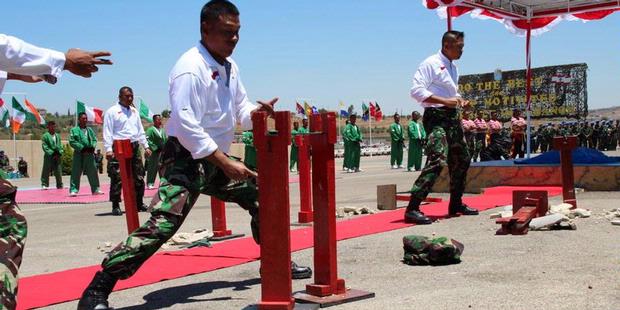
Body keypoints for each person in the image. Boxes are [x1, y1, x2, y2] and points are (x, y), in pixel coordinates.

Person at [78, 2, 311, 309]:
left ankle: (275, 264)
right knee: (163, 225)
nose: (234, 39)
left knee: (261, 195)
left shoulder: (230, 66)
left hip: (215, 158)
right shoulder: (190, 68)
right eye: (227, 32)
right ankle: (97, 289)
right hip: (186, 159)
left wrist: (256, 113)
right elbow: (187, 126)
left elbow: (238, 108)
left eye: (237, 32)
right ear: (206, 29)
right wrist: (226, 163)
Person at [1, 33, 111, 310]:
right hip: (61, 154)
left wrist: (17, 74)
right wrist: (62, 60)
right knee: (8, 223)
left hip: (85, 154)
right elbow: (6, 48)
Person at [406, 30, 479, 225]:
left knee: (462, 158)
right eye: (459, 47)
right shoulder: (430, 63)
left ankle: (456, 203)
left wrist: (459, 101)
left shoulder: (453, 68)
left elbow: (450, 94)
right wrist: (445, 101)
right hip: (436, 117)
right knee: (437, 159)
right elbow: (416, 91)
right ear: (447, 45)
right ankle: (412, 207)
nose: (462, 50)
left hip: (452, 118)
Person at [103, 86, 151, 216]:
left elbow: (140, 130)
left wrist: (146, 146)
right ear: (120, 97)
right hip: (119, 146)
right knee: (117, 176)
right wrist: (108, 149)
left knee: (139, 176)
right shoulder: (112, 111)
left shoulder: (134, 111)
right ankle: (115, 205)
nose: (130, 98)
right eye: (127, 96)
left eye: (131, 96)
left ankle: (139, 203)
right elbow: (107, 131)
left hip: (134, 145)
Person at [69, 112, 103, 196]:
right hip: (79, 154)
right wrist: (82, 148)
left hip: (89, 155)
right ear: (79, 119)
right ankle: (74, 190)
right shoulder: (74, 130)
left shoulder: (90, 130)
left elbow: (94, 139)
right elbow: (72, 141)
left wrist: (92, 147)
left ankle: (95, 189)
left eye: (86, 118)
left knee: (93, 171)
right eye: (83, 118)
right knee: (76, 172)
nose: (85, 120)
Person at [145, 114, 167, 189]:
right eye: (158, 119)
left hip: (162, 152)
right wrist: (155, 148)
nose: (160, 121)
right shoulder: (150, 130)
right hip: (154, 152)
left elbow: (165, 140)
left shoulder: (163, 130)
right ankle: (150, 183)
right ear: (154, 121)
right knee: (152, 167)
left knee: (163, 167)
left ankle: (163, 182)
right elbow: (147, 139)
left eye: (160, 119)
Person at [41, 121, 63, 189]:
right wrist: (52, 153)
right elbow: (45, 146)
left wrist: (59, 152)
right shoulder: (45, 136)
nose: (53, 127)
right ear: (48, 127)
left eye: (54, 126)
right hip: (49, 157)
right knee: (46, 170)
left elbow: (60, 145)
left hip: (57, 156)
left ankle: (59, 185)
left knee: (58, 171)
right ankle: (44, 184)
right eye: (51, 126)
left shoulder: (57, 136)